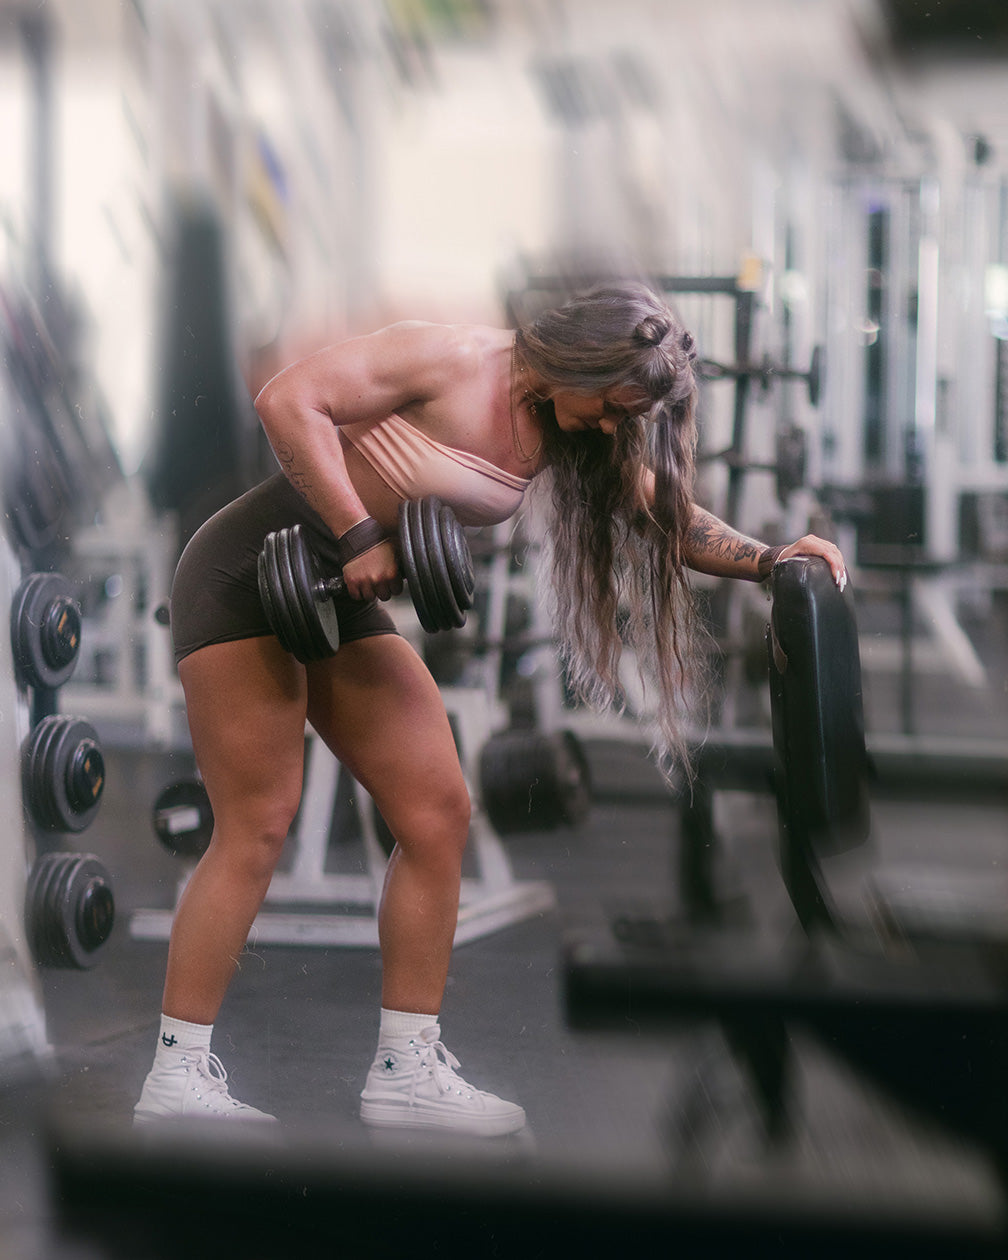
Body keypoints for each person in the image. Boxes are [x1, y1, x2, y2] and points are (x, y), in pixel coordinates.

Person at [133, 281, 846, 1134]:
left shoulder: (568, 426)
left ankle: (404, 1068)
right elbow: (288, 399)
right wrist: (362, 534)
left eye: (629, 420)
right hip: (247, 576)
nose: (614, 429)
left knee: (436, 811)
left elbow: (662, 509)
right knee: (258, 822)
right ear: (582, 356)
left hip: (336, 596)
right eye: (613, 408)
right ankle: (175, 1076)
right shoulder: (453, 358)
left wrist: (771, 560)